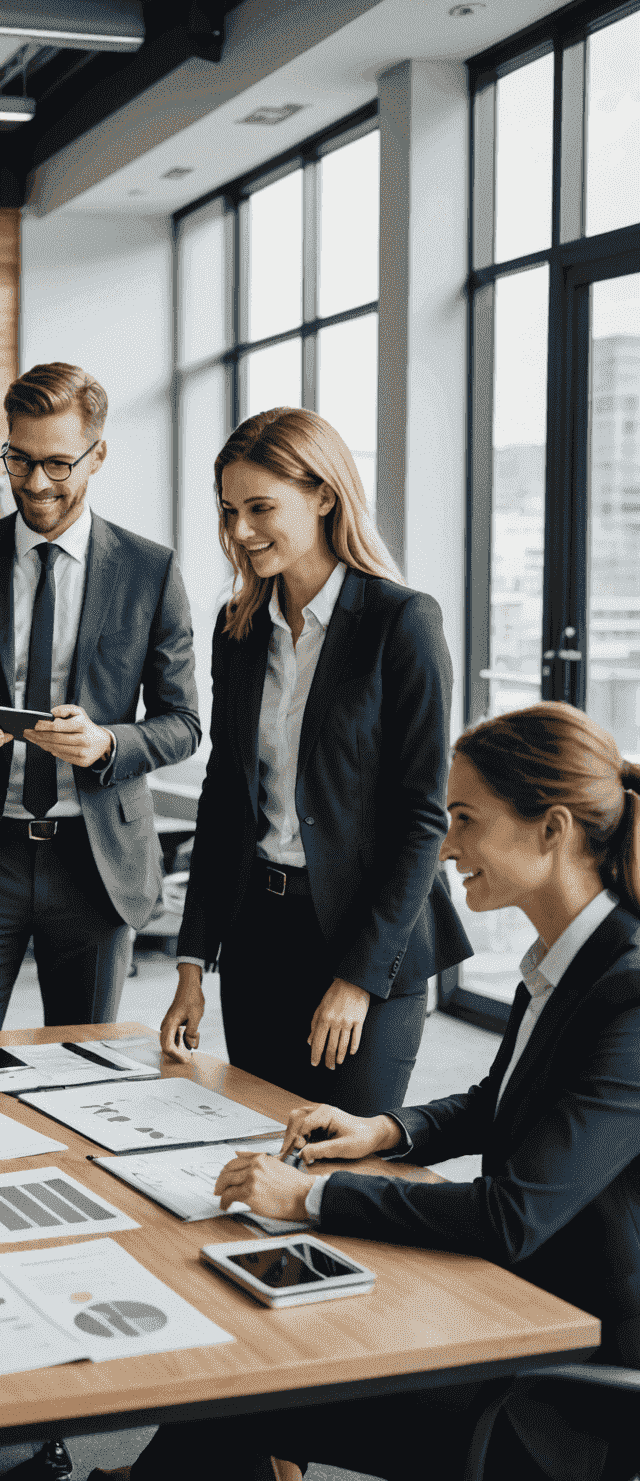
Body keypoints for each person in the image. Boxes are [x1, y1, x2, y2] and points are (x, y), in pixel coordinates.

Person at [116, 701, 640, 1481]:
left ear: (552, 829)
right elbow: (493, 1102)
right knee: (259, 1343)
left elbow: (512, 1213)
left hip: (560, 1392)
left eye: (464, 820)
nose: (446, 845)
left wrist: (311, 1199)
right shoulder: (564, 961)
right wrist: (384, 1132)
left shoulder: (628, 994)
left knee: (258, 1376)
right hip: (510, 1310)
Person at [159, 407, 471, 1112]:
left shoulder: (403, 623)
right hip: (257, 940)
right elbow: (224, 799)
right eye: (230, 510)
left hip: (367, 941)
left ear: (324, 495)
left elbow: (424, 819)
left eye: (261, 507)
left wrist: (359, 978)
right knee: (256, 1139)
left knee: (340, 1157)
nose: (240, 531)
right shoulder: (238, 630)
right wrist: (190, 962)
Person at [0, 362, 199, 1033]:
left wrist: (109, 743)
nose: (36, 484)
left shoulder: (152, 571)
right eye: (20, 461)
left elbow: (183, 724)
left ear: (98, 456)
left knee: (83, 1072)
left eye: (59, 465)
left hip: (95, 864)